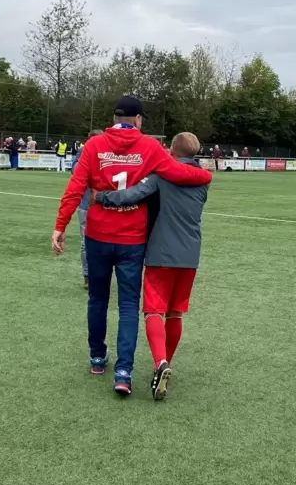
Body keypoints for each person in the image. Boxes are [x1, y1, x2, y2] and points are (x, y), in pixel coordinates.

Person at [51, 96, 213, 396]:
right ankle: (124, 373)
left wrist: (60, 226)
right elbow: (179, 172)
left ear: (114, 118)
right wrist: (206, 174)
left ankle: (98, 359)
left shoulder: (94, 145)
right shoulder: (151, 148)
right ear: (138, 120)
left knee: (97, 299)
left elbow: (75, 187)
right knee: (128, 306)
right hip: (132, 239)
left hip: (98, 235)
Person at [93, 132, 208, 401]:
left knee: (153, 310)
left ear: (172, 151)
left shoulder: (162, 175)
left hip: (161, 252)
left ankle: (160, 363)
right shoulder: (203, 181)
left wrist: (102, 198)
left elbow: (133, 195)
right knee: (176, 313)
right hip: (191, 254)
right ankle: (166, 363)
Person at [70, 130, 104, 291]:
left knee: (105, 243)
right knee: (86, 243)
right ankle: (88, 276)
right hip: (86, 205)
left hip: (105, 205)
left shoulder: (108, 154)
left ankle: (99, 275)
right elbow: (76, 170)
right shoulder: (83, 153)